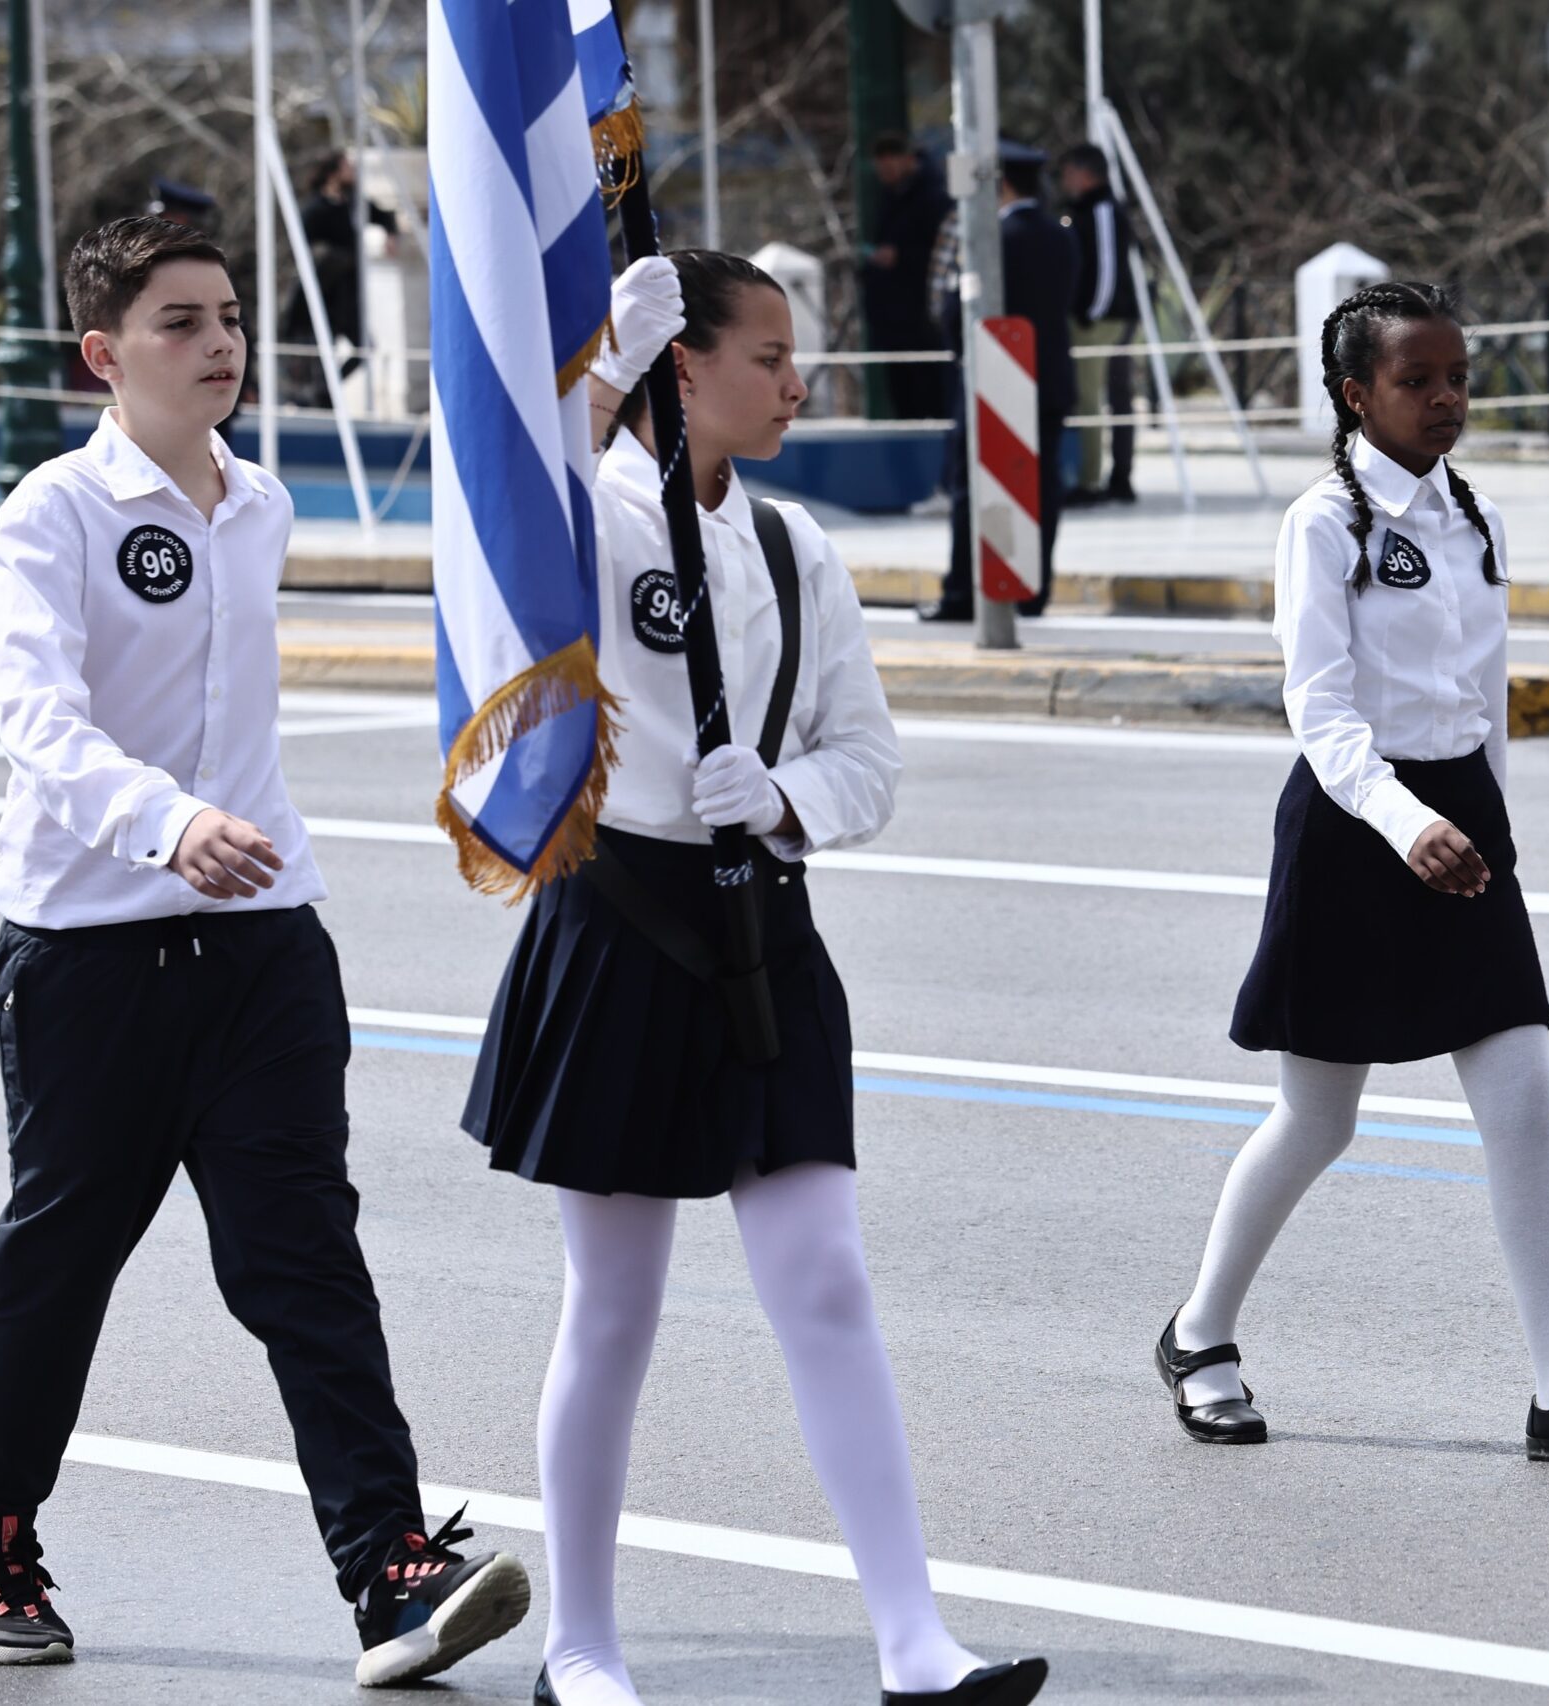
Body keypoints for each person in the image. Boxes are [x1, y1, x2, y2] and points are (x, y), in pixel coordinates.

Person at [0, 215, 531, 1681]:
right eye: (182, 323)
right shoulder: (54, 513)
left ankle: (391, 1569)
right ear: (105, 352)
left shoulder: (257, 500)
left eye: (228, 316)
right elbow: (37, 720)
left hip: (265, 948)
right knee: (61, 1260)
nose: (220, 344)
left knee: (305, 1260)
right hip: (90, 955)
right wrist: (169, 822)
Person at [465, 251, 1049, 1706]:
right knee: (615, 1303)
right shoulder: (601, 514)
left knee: (827, 1280)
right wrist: (605, 371)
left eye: (798, 357)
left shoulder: (794, 545)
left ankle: (913, 1639)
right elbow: (509, 526)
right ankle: (581, 1645)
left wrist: (783, 795)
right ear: (687, 364)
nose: (798, 383)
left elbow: (868, 758)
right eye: (768, 356)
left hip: (760, 928)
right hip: (621, 922)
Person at [1157, 281, 1549, 1471]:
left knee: (1523, 1099)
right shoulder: (1323, 523)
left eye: (1457, 378)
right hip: (1355, 824)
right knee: (1318, 1116)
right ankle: (1198, 1334)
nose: (1446, 399)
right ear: (1356, 394)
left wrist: (1494, 815)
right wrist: (1403, 819)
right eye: (1416, 380)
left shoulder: (1473, 515)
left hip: (1461, 821)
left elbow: (1484, 686)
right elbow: (1317, 706)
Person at [919, 140, 1077, 622]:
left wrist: (959, 352)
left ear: (1001, 184)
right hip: (1050, 379)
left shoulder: (989, 241)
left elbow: (956, 311)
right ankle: (1032, 591)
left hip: (993, 381)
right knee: (1043, 488)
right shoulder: (1062, 236)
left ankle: (963, 592)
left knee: (973, 485)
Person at [283, 149, 399, 404]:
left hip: (348, 293)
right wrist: (329, 258)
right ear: (333, 173)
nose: (353, 171)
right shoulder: (315, 208)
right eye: (348, 167)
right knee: (322, 351)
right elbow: (300, 247)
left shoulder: (353, 203)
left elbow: (384, 215)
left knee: (364, 348)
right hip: (324, 294)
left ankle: (326, 392)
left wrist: (390, 235)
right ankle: (319, 398)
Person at [1057, 143, 1137, 506]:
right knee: (1109, 397)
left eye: (1069, 172)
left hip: (1103, 320)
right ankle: (1112, 477)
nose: (1064, 180)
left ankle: (1092, 481)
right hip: (1101, 316)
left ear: (1085, 173)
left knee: (1091, 399)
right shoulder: (1083, 209)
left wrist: (1091, 312)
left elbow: (1107, 266)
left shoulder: (1102, 209)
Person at [861, 133, 953, 423]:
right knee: (903, 395)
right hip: (894, 317)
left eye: (890, 165)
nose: (884, 173)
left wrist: (901, 257)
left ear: (908, 160)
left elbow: (943, 253)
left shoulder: (933, 196)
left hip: (922, 316)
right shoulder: (891, 196)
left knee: (929, 390)